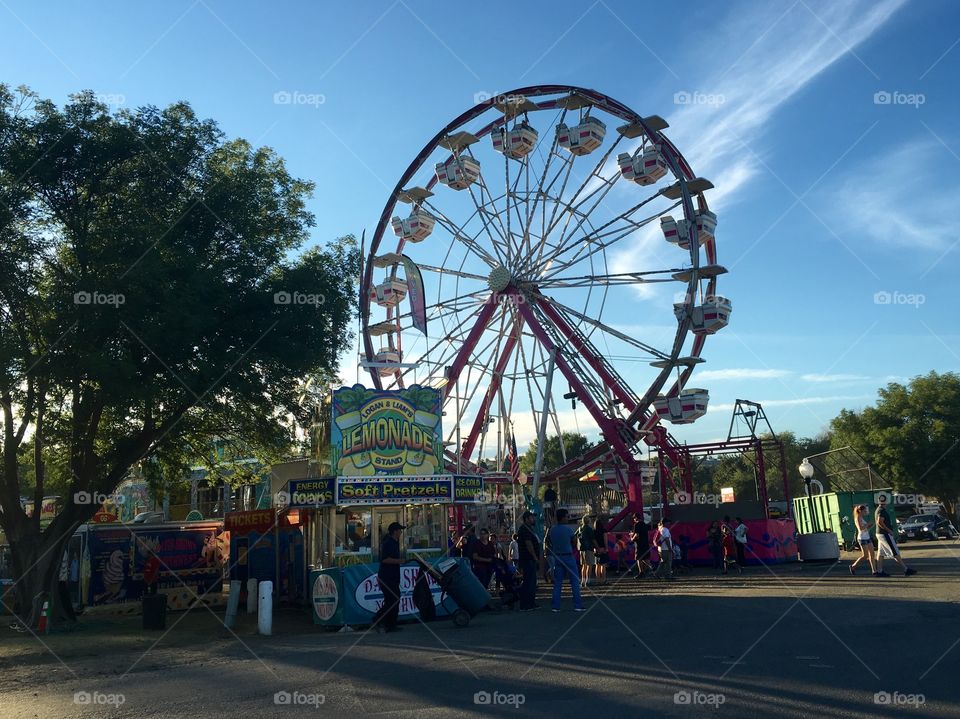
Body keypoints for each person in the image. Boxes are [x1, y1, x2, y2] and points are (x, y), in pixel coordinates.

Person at [547, 508, 585, 612]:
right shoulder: (568, 529)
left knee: (558, 583)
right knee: (574, 581)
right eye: (567, 516)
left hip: (557, 557)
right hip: (568, 556)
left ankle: (556, 606)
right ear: (563, 517)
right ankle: (577, 605)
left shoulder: (552, 530)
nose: (568, 518)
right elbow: (573, 541)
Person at [372, 522, 405, 633]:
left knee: (392, 600)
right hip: (387, 577)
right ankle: (378, 619)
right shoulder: (389, 543)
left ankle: (390, 624)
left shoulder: (394, 543)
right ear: (395, 531)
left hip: (392, 577)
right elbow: (385, 559)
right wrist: (400, 561)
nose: (401, 532)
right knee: (393, 599)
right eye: (400, 530)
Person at [875, 496, 916, 577]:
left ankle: (879, 571)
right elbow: (880, 522)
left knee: (881, 553)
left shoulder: (878, 510)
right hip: (884, 534)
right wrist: (888, 530)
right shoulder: (881, 510)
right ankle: (905, 569)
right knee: (894, 551)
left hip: (880, 533)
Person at [517, 511, 541, 611]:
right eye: (532, 517)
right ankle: (525, 604)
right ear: (526, 519)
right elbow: (528, 544)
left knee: (532, 582)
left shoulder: (530, 529)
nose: (533, 519)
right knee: (528, 582)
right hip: (528, 559)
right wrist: (535, 557)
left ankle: (531, 602)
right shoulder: (524, 529)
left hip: (530, 559)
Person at [849, 505, 878, 576]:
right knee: (865, 556)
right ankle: (853, 566)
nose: (865, 512)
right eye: (864, 511)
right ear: (860, 511)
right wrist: (868, 524)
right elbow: (861, 528)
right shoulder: (858, 518)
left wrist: (871, 525)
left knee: (872, 554)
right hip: (862, 538)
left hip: (867, 537)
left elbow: (865, 528)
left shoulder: (861, 517)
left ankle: (874, 571)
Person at [576, 514, 597, 587]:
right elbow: (593, 539)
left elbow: (575, 536)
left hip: (581, 549)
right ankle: (588, 581)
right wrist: (597, 547)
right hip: (588, 549)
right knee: (589, 565)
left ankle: (583, 581)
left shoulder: (580, 528)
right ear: (588, 521)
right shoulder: (589, 529)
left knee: (583, 566)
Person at [630, 513, 651, 579]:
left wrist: (631, 538)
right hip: (646, 544)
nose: (634, 520)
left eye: (634, 518)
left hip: (639, 545)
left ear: (635, 518)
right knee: (646, 558)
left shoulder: (637, 524)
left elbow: (637, 535)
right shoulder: (644, 524)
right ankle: (650, 571)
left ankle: (641, 573)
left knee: (639, 559)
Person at [593, 517, 608, 586]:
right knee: (603, 565)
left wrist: (596, 548)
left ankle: (597, 580)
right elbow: (605, 540)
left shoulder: (593, 531)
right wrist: (606, 548)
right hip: (602, 548)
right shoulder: (603, 530)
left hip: (596, 549)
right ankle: (603, 580)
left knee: (597, 565)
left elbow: (593, 541)